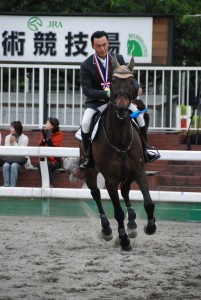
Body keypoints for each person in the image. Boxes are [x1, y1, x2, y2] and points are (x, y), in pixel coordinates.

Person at [79, 30, 160, 170]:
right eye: (98, 46)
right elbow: (87, 90)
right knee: (86, 123)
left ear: (108, 43)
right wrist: (107, 94)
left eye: (104, 44)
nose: (102, 48)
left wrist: (137, 87)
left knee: (140, 117)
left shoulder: (119, 59)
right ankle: (89, 158)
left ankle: (146, 150)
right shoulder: (86, 65)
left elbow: (129, 80)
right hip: (96, 103)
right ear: (92, 46)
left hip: (119, 102)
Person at [37, 117, 63, 187]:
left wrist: (48, 137)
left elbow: (53, 147)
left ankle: (49, 185)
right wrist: (44, 138)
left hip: (55, 160)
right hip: (45, 158)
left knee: (46, 165)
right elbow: (40, 145)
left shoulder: (59, 134)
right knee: (41, 165)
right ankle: (48, 185)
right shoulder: (44, 133)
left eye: (47, 123)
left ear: (52, 126)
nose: (45, 124)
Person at [2, 121, 29, 187]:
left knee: (14, 166)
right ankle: (6, 185)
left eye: (12, 127)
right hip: (9, 159)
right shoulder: (8, 137)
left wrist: (14, 143)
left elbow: (22, 152)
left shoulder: (25, 138)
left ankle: (12, 186)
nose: (10, 129)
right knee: (5, 165)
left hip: (20, 160)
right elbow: (6, 150)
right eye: (10, 127)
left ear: (17, 129)